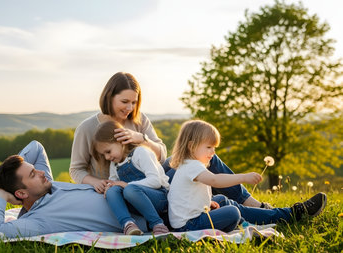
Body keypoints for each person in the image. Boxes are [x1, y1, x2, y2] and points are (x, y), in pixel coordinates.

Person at [69, 71, 269, 209]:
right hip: (126, 188)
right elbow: (76, 169)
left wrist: (142, 139)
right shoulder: (88, 128)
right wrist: (95, 182)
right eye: (124, 102)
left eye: (134, 102)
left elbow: (162, 154)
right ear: (109, 97)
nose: (129, 108)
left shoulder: (139, 121)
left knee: (205, 158)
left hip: (155, 179)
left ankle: (252, 203)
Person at [167, 120, 327, 232]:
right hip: (189, 225)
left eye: (214, 147)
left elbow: (187, 196)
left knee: (221, 200)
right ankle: (281, 216)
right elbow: (215, 180)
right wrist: (243, 177)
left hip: (191, 217)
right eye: (209, 147)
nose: (213, 152)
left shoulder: (188, 164)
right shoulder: (192, 166)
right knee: (232, 212)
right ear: (191, 146)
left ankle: (283, 215)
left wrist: (207, 201)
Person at [0, 140, 148, 238]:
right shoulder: (38, 221)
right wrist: (1, 194)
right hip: (143, 210)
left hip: (138, 187)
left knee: (170, 162)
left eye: (34, 169)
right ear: (22, 193)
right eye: (32, 174)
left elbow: (35, 147)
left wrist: (11, 171)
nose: (40, 172)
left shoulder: (46, 185)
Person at [92, 120, 170, 235]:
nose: (107, 157)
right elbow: (115, 183)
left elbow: (156, 181)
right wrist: (108, 187)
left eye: (108, 152)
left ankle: (158, 224)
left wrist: (127, 185)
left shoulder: (140, 153)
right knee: (112, 191)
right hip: (135, 201)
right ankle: (128, 224)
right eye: (104, 155)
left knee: (130, 190)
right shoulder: (115, 164)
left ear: (121, 142)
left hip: (159, 198)